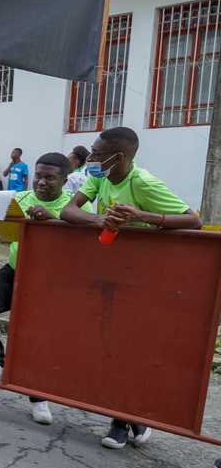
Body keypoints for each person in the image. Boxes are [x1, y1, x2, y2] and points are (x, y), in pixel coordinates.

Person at [60, 126, 202, 449]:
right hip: (109, 273)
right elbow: (68, 210)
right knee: (107, 345)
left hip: (144, 279)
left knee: (127, 349)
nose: (91, 159)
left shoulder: (143, 183)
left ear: (118, 158)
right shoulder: (99, 177)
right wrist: (98, 220)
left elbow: (194, 221)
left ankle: (119, 424)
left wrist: (143, 216)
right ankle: (133, 419)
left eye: (96, 154)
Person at [0, 153, 92, 424]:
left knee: (31, 336)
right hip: (16, 268)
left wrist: (53, 221)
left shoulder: (72, 205)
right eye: (38, 176)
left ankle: (38, 398)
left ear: (63, 180)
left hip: (50, 278)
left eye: (50, 178)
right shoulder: (20, 199)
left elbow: (82, 241)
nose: (42, 182)